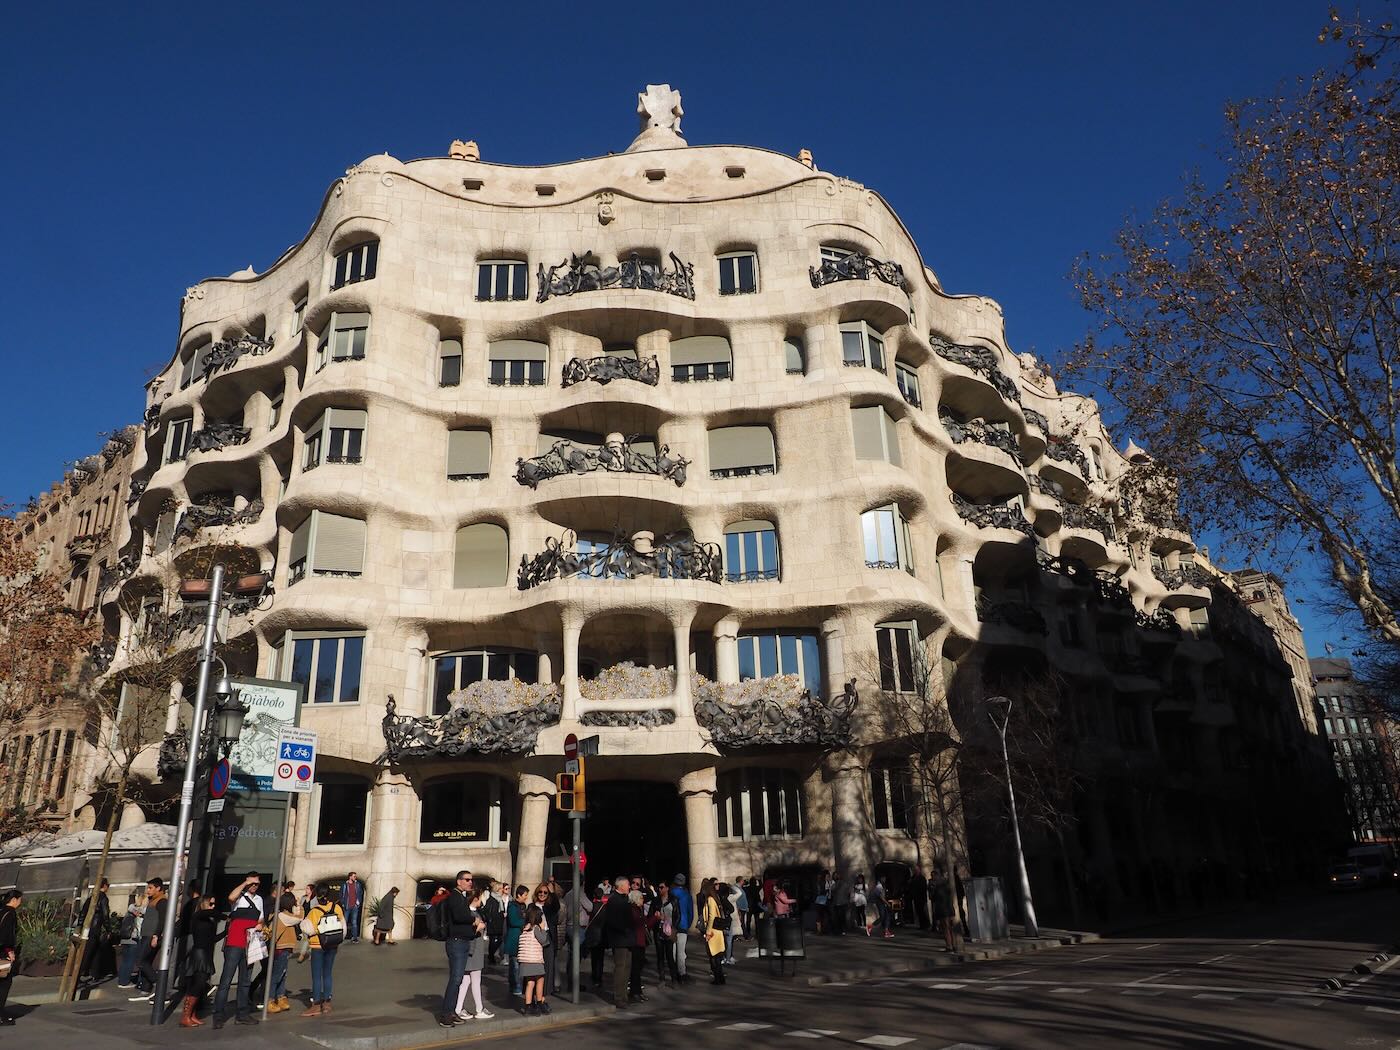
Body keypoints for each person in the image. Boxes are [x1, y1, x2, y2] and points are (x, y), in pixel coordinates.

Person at [213, 871, 265, 1029]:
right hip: (235, 943)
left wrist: (259, 925)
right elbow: (230, 897)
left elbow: (261, 918)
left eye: (257, 883)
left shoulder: (259, 900)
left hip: (250, 944)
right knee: (226, 980)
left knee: (245, 981)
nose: (254, 886)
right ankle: (218, 1015)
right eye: (252, 883)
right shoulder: (239, 897)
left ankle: (242, 1014)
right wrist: (244, 884)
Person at [439, 871, 486, 1028]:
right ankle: (446, 1014)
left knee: (458, 980)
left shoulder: (461, 897)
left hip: (463, 941)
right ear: (459, 881)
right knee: (456, 979)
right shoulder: (455, 896)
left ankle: (452, 1012)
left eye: (471, 880)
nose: (470, 882)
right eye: (467, 880)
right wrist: (474, 919)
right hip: (457, 942)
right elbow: (459, 916)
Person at [450, 884, 494, 1023]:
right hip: (473, 952)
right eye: (480, 898)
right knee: (475, 981)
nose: (482, 900)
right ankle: (479, 1009)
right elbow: (467, 934)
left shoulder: (472, 912)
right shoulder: (471, 915)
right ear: (475, 899)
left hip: (473, 952)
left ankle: (458, 1008)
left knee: (466, 981)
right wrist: (478, 927)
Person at [302, 884, 345, 1016]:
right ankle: (327, 1002)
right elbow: (343, 926)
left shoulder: (314, 911)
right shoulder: (336, 907)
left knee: (316, 976)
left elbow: (307, 928)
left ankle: (315, 1004)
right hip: (332, 945)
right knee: (327, 973)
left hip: (317, 945)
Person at [179, 895, 218, 1027]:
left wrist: (226, 931)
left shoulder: (209, 920)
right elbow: (208, 912)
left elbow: (212, 938)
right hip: (199, 953)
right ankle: (186, 1015)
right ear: (204, 904)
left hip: (205, 953)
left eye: (214, 904)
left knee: (199, 983)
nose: (213, 906)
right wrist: (227, 916)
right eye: (210, 904)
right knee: (198, 983)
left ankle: (192, 1014)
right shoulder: (197, 916)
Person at [130, 877, 167, 1001]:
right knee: (146, 961)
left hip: (152, 935)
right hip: (146, 934)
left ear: (158, 888)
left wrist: (156, 935)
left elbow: (162, 920)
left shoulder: (162, 901)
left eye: (151, 888)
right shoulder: (152, 901)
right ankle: (146, 988)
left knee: (141, 961)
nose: (148, 890)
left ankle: (158, 984)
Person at [266, 891, 301, 1014]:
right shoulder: (283, 916)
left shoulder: (280, 914)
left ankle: (281, 997)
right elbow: (299, 918)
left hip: (281, 948)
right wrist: (299, 905)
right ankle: (269, 1000)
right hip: (281, 948)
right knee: (277, 975)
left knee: (282, 974)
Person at [602, 876, 635, 1008]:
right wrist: (624, 929)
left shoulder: (625, 899)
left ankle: (624, 995)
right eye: (627, 884)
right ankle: (618, 996)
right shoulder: (614, 900)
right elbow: (612, 920)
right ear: (620, 886)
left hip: (628, 938)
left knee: (627, 967)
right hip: (620, 938)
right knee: (620, 968)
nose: (629, 886)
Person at [517, 903, 550, 1016]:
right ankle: (540, 1002)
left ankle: (528, 1006)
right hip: (534, 960)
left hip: (525, 960)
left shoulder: (524, 928)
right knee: (540, 980)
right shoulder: (535, 928)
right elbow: (544, 941)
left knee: (530, 983)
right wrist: (543, 928)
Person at [78, 877, 111, 982]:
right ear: (104, 886)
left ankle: (93, 973)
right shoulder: (103, 898)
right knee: (91, 951)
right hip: (96, 928)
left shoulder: (91, 898)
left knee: (92, 951)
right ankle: (83, 972)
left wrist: (80, 926)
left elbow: (82, 913)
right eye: (108, 885)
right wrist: (108, 929)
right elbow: (105, 915)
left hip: (87, 928)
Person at [648, 883, 679, 987]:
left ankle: (674, 979)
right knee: (660, 956)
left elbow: (678, 915)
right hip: (659, 931)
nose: (659, 889)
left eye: (661, 887)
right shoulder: (655, 900)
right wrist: (655, 918)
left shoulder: (674, 900)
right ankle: (662, 979)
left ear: (667, 888)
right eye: (659, 887)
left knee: (670, 956)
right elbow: (650, 916)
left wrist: (673, 926)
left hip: (669, 931)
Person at [697, 879, 726, 985]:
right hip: (717, 931)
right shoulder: (715, 898)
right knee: (717, 955)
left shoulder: (710, 899)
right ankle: (720, 977)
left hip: (713, 931)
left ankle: (718, 978)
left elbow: (711, 916)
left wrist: (708, 932)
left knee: (714, 956)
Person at [503, 884, 528, 1002]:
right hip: (514, 938)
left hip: (521, 937)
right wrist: (524, 922)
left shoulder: (523, 906)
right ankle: (515, 985)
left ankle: (518, 984)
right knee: (515, 965)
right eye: (525, 895)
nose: (526, 898)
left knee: (518, 964)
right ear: (519, 894)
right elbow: (513, 920)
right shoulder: (512, 906)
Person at [534, 884, 560, 996]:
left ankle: (547, 990)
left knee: (549, 963)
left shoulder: (550, 907)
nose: (542, 894)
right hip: (534, 938)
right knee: (536, 964)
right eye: (540, 892)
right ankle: (535, 990)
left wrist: (552, 892)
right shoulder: (532, 906)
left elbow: (557, 906)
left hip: (548, 936)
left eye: (545, 892)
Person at [115, 890, 145, 988]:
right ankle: (125, 982)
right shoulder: (141, 913)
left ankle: (121, 980)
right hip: (134, 939)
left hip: (124, 938)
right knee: (130, 961)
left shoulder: (129, 911)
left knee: (125, 960)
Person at [0, 890, 21, 1026]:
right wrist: (9, 951)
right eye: (19, 899)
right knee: (4, 982)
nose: (20, 902)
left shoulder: (1, 911)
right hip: (2, 954)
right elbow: (6, 935)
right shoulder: (10, 914)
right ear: (13, 899)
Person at [670, 874, 692, 982]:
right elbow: (690, 912)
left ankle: (673, 970)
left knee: (673, 950)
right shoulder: (686, 895)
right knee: (681, 951)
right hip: (683, 925)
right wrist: (688, 924)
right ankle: (682, 972)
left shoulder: (670, 892)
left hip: (672, 925)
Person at [932, 869, 957, 953]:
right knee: (950, 928)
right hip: (949, 909)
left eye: (933, 876)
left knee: (946, 929)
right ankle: (953, 946)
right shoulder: (946, 884)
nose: (932, 878)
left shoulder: (938, 886)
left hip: (943, 910)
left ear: (936, 876)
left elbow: (934, 898)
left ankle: (949, 946)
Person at [342, 872, 364, 944]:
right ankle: (342, 937)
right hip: (347, 906)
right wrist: (343, 903)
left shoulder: (357, 885)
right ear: (350, 877)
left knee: (354, 922)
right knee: (344, 922)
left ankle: (354, 938)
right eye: (354, 876)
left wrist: (358, 903)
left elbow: (360, 893)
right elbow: (341, 894)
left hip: (355, 906)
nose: (355, 878)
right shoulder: (345, 885)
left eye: (355, 876)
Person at [907, 867, 930, 932]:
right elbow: (910, 884)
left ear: (919, 871)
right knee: (918, 911)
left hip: (921, 897)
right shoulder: (913, 878)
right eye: (915, 870)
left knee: (922, 911)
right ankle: (922, 925)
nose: (916, 872)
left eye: (917, 870)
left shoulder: (921, 878)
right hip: (915, 897)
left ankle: (926, 924)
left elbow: (923, 888)